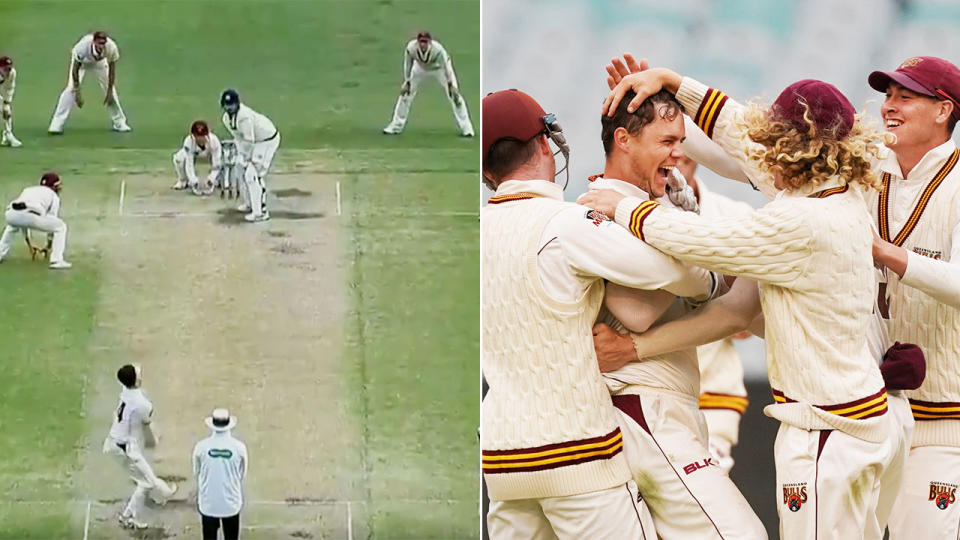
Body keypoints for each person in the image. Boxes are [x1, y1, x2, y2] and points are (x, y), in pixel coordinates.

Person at [581, 68, 898, 540]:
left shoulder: (798, 220)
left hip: (826, 433)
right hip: (860, 423)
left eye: (771, 138)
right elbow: (736, 312)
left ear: (790, 147)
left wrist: (624, 208)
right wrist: (672, 80)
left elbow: (705, 243)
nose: (758, 151)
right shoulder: (835, 191)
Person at [482, 88, 726, 539]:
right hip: (578, 454)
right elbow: (679, 275)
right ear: (543, 144)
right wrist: (711, 274)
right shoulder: (566, 222)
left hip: (502, 460)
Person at [584, 89, 763, 539]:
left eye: (682, 140)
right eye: (668, 141)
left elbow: (742, 312)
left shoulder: (661, 205)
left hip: (675, 402)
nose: (680, 154)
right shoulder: (601, 205)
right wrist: (708, 272)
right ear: (624, 140)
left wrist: (683, 228)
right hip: (641, 406)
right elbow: (635, 310)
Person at [865, 56, 960, 539]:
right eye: (887, 96)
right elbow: (765, 160)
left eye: (905, 96)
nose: (889, 107)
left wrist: (890, 255)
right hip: (867, 413)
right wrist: (677, 94)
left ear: (943, 110)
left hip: (942, 419)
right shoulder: (865, 171)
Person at [102, 364, 177, 530]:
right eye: (138, 375)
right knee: (146, 483)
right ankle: (128, 516)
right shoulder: (142, 404)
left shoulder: (126, 392)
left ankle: (165, 492)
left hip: (119, 442)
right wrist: (154, 439)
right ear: (135, 381)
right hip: (123, 448)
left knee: (145, 477)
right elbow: (146, 425)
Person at [383, 31, 474, 136]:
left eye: (425, 42)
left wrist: (451, 84)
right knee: (405, 95)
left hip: (439, 68)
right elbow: (408, 64)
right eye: (421, 42)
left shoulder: (438, 50)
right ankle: (396, 126)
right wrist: (407, 81)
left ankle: (467, 129)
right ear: (417, 42)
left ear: (429, 42)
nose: (423, 45)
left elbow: (446, 67)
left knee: (455, 97)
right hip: (420, 68)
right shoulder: (411, 48)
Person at [48, 31, 130, 134]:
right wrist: (77, 92)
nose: (101, 46)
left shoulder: (111, 47)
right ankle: (56, 124)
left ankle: (119, 123)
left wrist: (109, 91)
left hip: (100, 64)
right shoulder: (81, 48)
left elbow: (112, 70)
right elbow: (75, 69)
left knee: (111, 92)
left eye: (103, 43)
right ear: (94, 42)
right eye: (99, 43)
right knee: (70, 90)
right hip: (82, 63)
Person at [220, 89, 279, 222]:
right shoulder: (226, 119)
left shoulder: (244, 117)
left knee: (252, 174)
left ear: (237, 104)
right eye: (227, 105)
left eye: (232, 105)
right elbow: (238, 138)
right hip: (254, 142)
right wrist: (241, 156)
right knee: (239, 168)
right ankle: (249, 203)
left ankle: (260, 212)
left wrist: (248, 158)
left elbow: (249, 140)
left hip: (266, 141)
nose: (229, 108)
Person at [193, 408, 248, 540]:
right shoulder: (239, 448)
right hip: (231, 504)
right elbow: (242, 474)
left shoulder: (201, 447)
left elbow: (196, 472)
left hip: (208, 504)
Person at [0, 172, 71, 269]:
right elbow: (52, 220)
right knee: (60, 227)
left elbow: (22, 220)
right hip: (31, 214)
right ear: (54, 186)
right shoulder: (54, 196)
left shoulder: (29, 190)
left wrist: (30, 243)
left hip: (11, 213)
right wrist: (48, 246)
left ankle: (0, 253)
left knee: (12, 227)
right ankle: (57, 260)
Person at [173, 120, 223, 195]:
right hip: (195, 157)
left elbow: (217, 162)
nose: (200, 139)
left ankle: (219, 180)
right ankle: (183, 181)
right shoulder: (188, 141)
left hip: (209, 156)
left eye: (203, 136)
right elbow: (189, 164)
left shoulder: (214, 141)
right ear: (193, 135)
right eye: (197, 136)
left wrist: (211, 179)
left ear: (208, 134)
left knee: (225, 158)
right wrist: (194, 181)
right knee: (178, 159)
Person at [0, 56, 21, 147]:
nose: (8, 71)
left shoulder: (12, 73)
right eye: (5, 69)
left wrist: (6, 102)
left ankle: (7, 134)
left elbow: (10, 88)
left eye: (9, 68)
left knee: (7, 111)